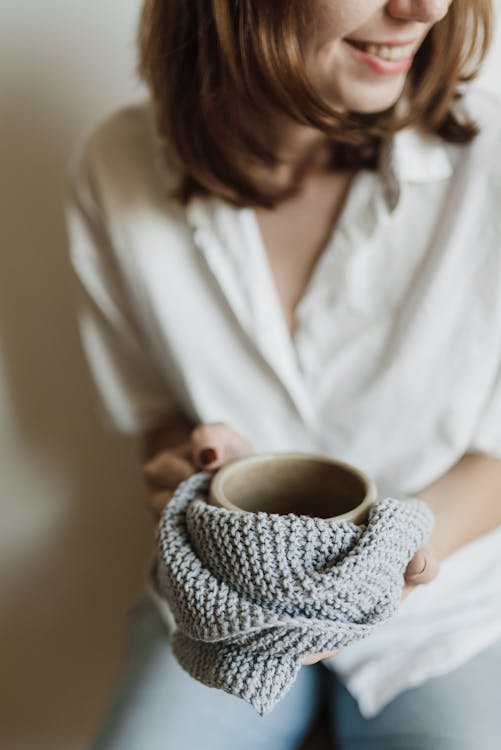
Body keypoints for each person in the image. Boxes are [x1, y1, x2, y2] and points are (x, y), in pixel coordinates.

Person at [65, 1, 501, 748]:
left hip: (448, 615)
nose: (424, 7)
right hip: (221, 604)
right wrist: (182, 473)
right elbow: (160, 412)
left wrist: (394, 553)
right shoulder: (118, 168)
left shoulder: (488, 167)